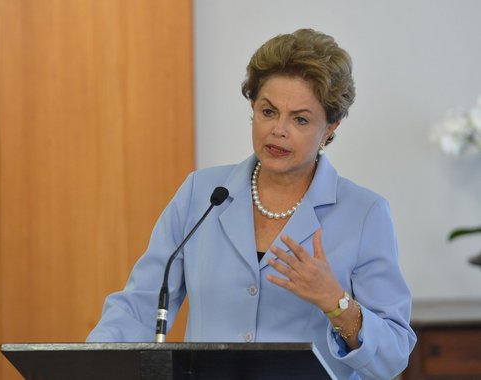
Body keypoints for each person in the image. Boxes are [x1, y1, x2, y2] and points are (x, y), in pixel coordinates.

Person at [87, 29, 416, 379]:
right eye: (269, 111)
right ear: (253, 109)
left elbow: (393, 354)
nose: (279, 130)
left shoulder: (364, 213)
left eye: (300, 119)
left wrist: (336, 303)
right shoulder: (202, 193)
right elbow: (140, 306)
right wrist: (88, 366)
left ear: (330, 128)